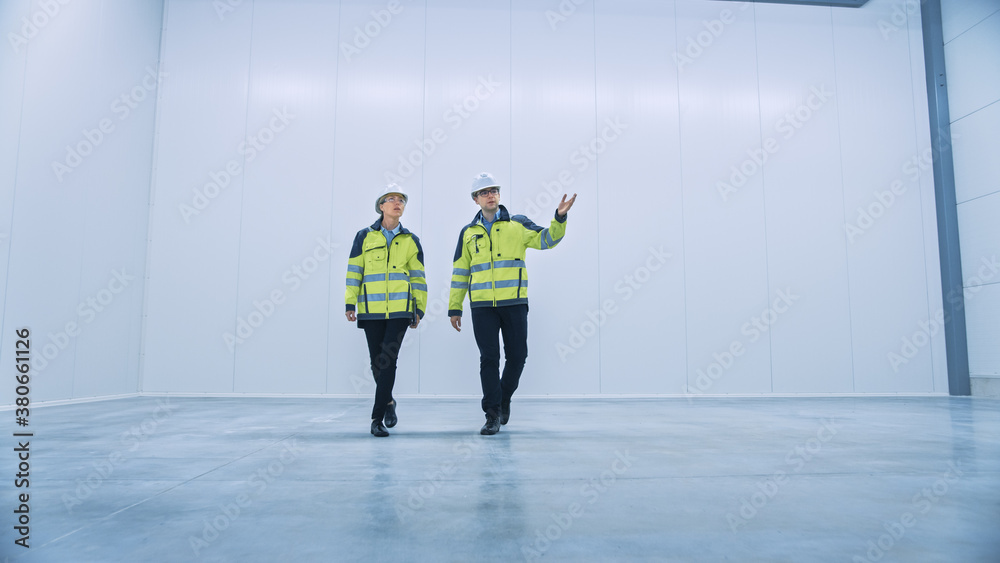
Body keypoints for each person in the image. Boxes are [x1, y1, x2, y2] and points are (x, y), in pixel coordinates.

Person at [449, 172, 577, 435]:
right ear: (476, 199)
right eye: (484, 192)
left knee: (518, 356)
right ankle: (492, 414)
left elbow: (547, 240)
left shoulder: (517, 224)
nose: (491, 195)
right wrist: (455, 307)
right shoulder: (468, 233)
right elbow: (460, 271)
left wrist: (559, 218)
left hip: (514, 303)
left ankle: (503, 397)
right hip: (482, 306)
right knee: (489, 359)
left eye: (494, 190)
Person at [346, 184, 427, 437]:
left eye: (401, 200)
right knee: (376, 363)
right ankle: (389, 402)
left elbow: (418, 277)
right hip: (372, 310)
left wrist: (419, 308)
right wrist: (350, 302)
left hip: (401, 311)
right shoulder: (364, 237)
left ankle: (376, 418)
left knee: (388, 361)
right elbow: (354, 272)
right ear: (381, 206)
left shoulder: (411, 240)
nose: (397, 203)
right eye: (391, 199)